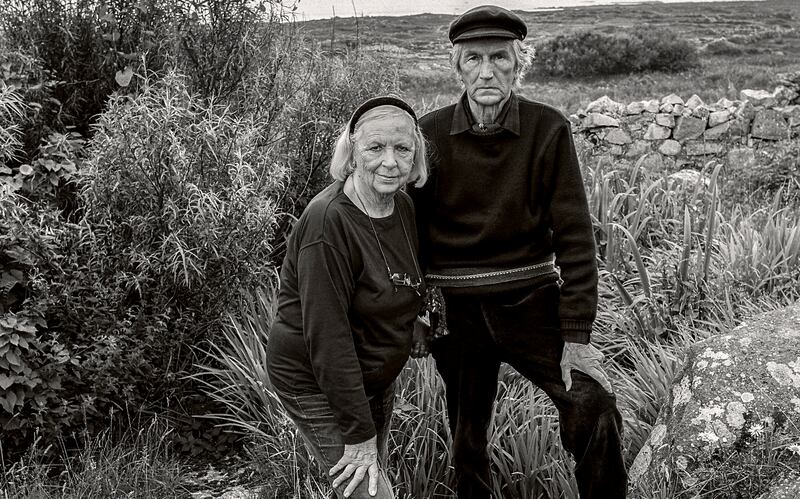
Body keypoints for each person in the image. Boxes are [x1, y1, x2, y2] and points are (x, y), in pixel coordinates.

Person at [409, 5, 628, 498]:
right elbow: (411, 237)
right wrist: (417, 313)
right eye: (473, 59)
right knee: (466, 435)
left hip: (531, 303)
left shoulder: (547, 128)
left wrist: (577, 333)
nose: (486, 71)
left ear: (518, 63)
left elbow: (575, 237)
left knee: (593, 406)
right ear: (456, 66)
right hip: (456, 309)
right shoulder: (429, 133)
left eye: (499, 57)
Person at [266, 96, 428, 498]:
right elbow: (328, 336)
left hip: (372, 371)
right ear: (352, 152)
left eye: (402, 148)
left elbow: (396, 276)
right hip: (316, 379)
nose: (390, 161)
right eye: (375, 147)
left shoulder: (401, 205)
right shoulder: (328, 223)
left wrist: (414, 320)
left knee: (373, 478)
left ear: (416, 155)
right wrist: (357, 435)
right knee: (369, 489)